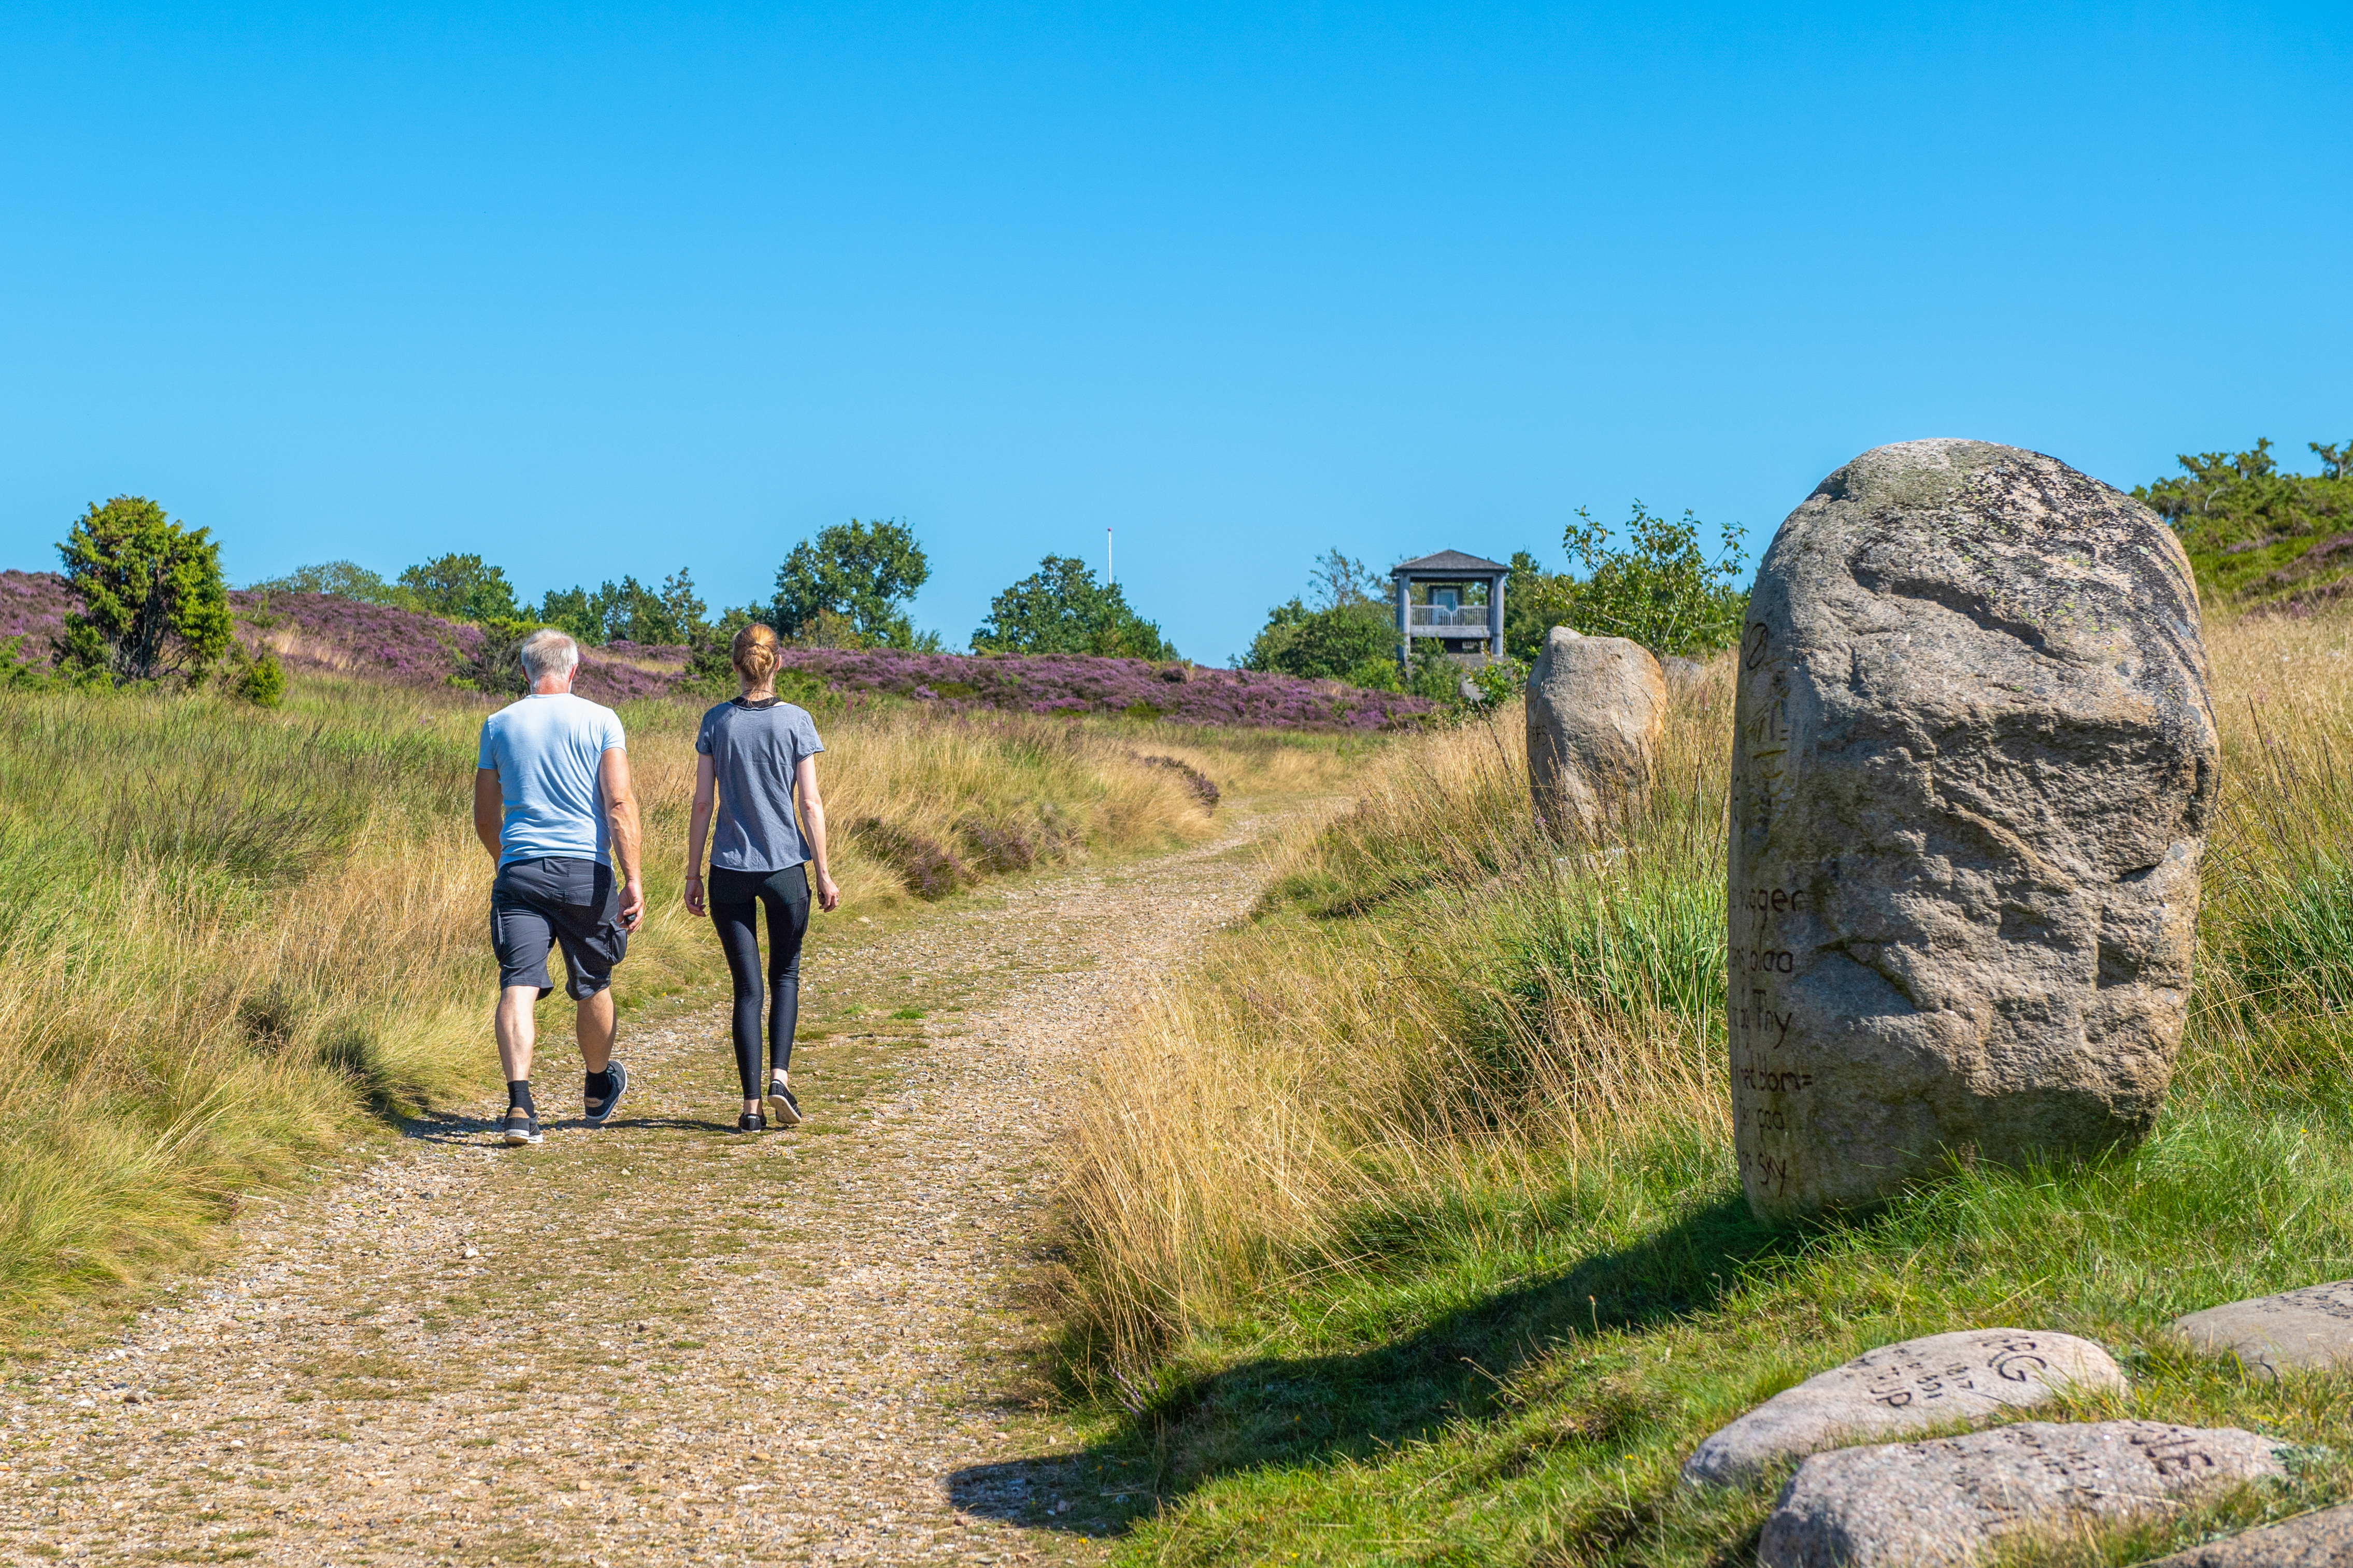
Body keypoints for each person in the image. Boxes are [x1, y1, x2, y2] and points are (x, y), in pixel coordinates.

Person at [472, 628, 645, 1146]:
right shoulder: (601, 720)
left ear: (525, 671)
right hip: (584, 872)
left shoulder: (498, 724)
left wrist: (509, 863)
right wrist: (633, 878)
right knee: (593, 981)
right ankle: (596, 1087)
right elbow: (618, 804)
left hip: (520, 871)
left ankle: (520, 1108)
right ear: (574, 670)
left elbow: (485, 817)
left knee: (517, 984)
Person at [683, 622, 841, 1132]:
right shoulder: (797, 721)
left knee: (746, 990)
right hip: (783, 871)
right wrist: (823, 871)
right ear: (777, 662)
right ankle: (779, 1078)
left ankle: (750, 1110)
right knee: (785, 975)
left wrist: (692, 873)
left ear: (735, 664)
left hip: (729, 870)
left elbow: (703, 803)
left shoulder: (716, 722)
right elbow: (810, 803)